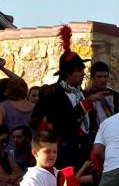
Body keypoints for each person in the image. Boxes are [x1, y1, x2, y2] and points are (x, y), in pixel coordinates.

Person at [30, 26, 98, 170]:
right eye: (79, 71)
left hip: (85, 149)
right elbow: (34, 120)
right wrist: (52, 129)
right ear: (68, 73)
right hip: (64, 151)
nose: (82, 74)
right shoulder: (52, 94)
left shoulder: (83, 94)